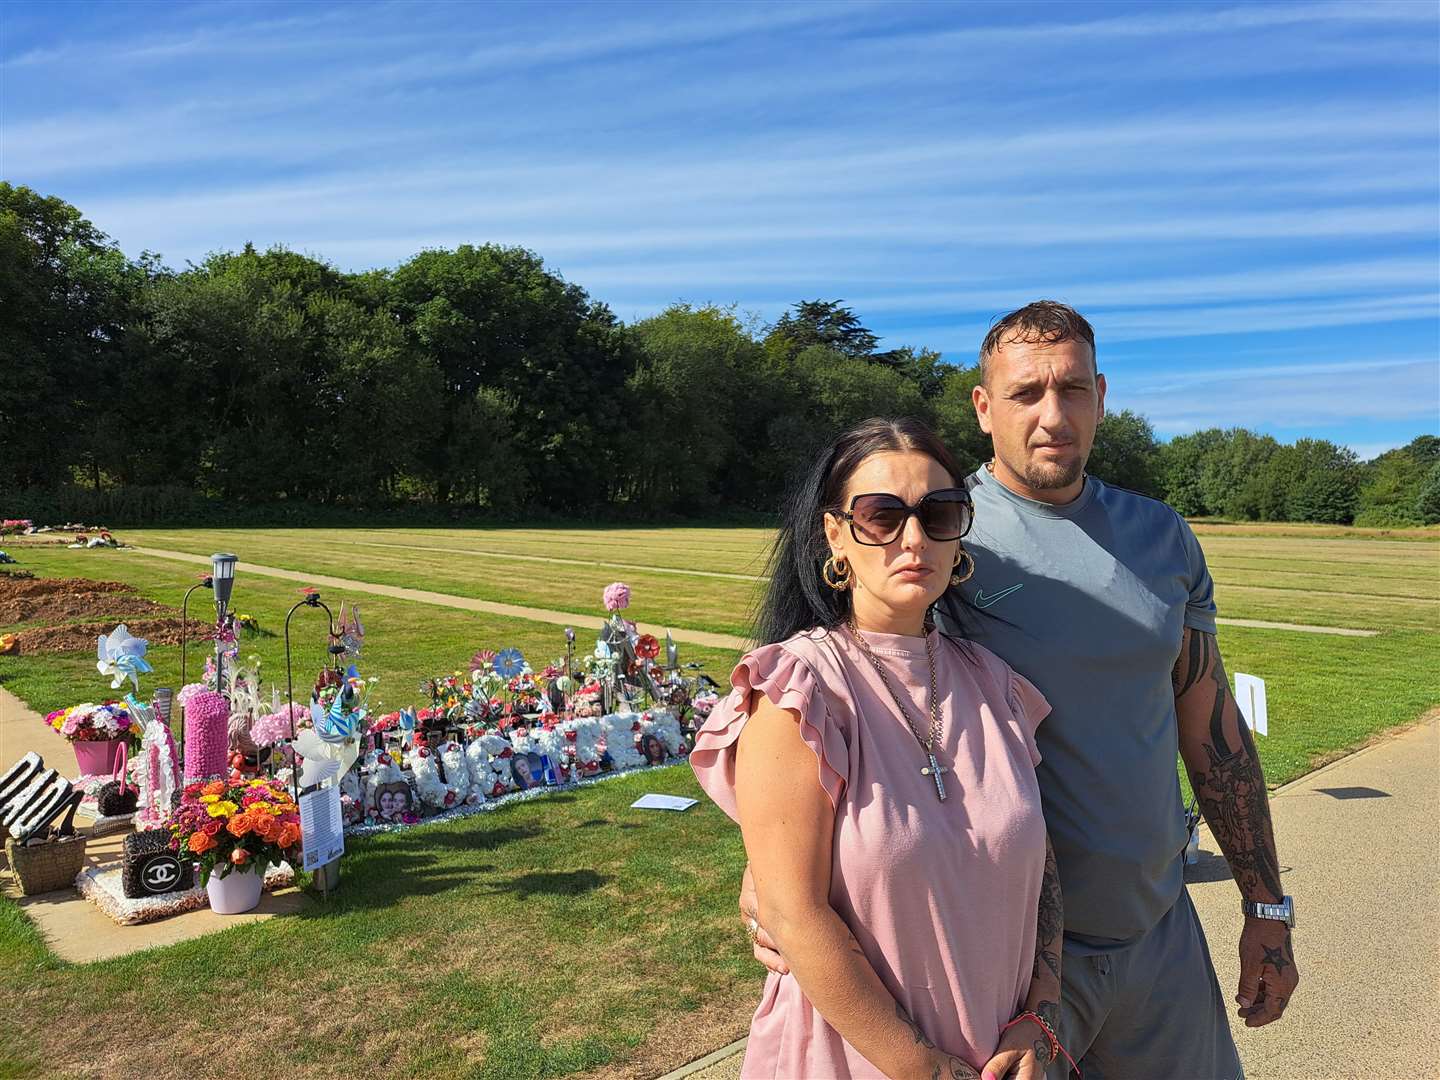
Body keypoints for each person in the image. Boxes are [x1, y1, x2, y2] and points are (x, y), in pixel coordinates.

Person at [743, 303, 1299, 1079]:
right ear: (983, 407)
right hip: (1009, 968)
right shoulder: (939, 527)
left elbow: (1210, 730)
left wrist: (1266, 907)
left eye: (1072, 390)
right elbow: (843, 671)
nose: (1052, 415)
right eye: (1025, 393)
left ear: (1101, 396)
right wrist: (769, 878)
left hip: (1157, 933)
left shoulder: (1160, 537)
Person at [692, 418, 1067, 1080]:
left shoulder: (995, 685)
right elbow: (792, 911)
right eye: (880, 516)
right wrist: (921, 1066)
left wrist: (1037, 1019)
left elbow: (1044, 872)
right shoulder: (799, 691)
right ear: (835, 534)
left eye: (939, 512)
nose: (913, 538)